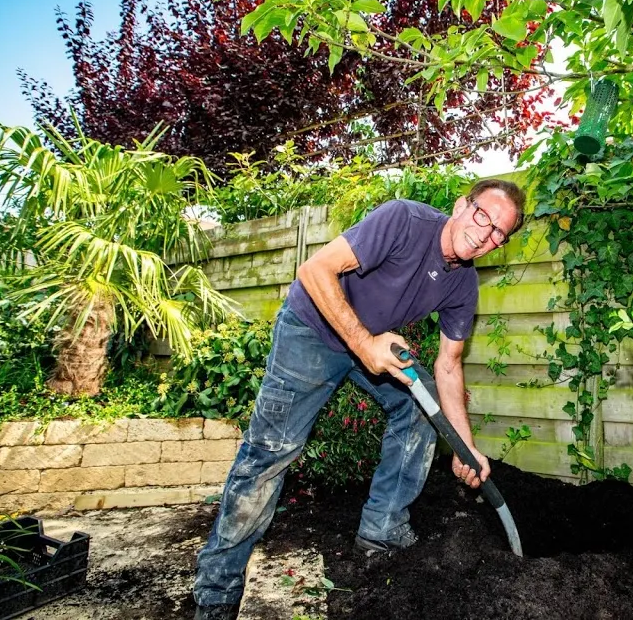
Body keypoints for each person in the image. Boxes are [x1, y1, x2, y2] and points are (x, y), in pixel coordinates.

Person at [193, 179, 526, 620]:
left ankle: (382, 531)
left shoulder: (463, 284)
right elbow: (314, 270)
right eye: (483, 215)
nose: (486, 234)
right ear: (462, 205)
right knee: (270, 454)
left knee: (420, 408)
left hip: (372, 345)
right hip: (312, 330)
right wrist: (364, 343)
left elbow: (449, 365)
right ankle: (217, 591)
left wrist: (465, 447)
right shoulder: (404, 220)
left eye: (500, 232)